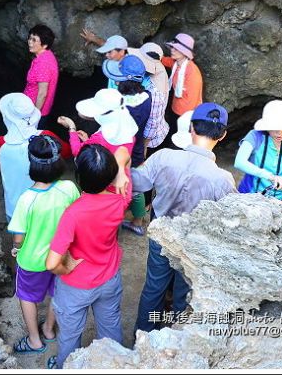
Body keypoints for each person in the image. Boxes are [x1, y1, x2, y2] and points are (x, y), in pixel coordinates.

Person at [131, 103, 235, 334]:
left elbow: (136, 183)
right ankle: (177, 338)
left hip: (161, 234)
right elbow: (228, 219)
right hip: (194, 244)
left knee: (154, 287)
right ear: (223, 135)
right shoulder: (222, 179)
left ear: (191, 128)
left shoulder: (164, 157)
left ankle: (143, 335)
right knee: (184, 293)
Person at [45, 144, 131, 369]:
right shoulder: (121, 197)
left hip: (76, 286)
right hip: (109, 278)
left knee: (70, 336)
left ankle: (67, 365)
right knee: (111, 330)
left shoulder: (72, 213)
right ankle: (114, 364)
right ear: (111, 176)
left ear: (79, 178)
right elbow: (123, 151)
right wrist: (120, 171)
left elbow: (52, 263)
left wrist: (66, 268)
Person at [7, 135, 80, 354]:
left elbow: (19, 236)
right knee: (58, 293)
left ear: (32, 165)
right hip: (60, 255)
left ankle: (34, 340)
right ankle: (49, 329)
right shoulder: (68, 188)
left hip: (32, 260)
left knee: (26, 296)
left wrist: (16, 247)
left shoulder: (27, 199)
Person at [0, 93, 71, 221]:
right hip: (45, 207)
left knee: (19, 239)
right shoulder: (46, 136)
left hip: (15, 207)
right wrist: (72, 129)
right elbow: (67, 152)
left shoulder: (1, 143)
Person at [102, 55, 152, 236]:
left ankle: (110, 225)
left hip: (117, 150)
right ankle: (138, 222)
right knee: (136, 187)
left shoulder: (117, 102)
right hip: (137, 148)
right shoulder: (148, 96)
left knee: (114, 186)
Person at [56, 88, 138, 196]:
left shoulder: (100, 138)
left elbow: (79, 152)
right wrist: (88, 141)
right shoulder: (128, 129)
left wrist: (71, 127)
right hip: (122, 181)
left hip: (103, 184)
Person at [234, 100, 282, 199]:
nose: (279, 132)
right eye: (275, 128)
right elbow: (239, 162)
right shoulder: (255, 136)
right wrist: (270, 177)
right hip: (250, 196)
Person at [127, 42, 170, 154]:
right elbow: (121, 51)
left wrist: (143, 147)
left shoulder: (156, 92)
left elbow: (153, 122)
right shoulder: (157, 65)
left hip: (150, 138)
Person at [161, 33, 203, 141]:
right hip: (175, 108)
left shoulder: (192, 72)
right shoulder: (177, 64)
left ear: (185, 52)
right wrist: (157, 58)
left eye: (176, 48)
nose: (172, 50)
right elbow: (167, 61)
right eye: (172, 47)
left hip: (185, 114)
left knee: (179, 139)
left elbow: (192, 100)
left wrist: (181, 120)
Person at [24, 24, 59, 130]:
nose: (30, 42)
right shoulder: (47, 55)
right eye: (29, 38)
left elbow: (42, 94)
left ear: (44, 45)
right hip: (34, 108)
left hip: (35, 111)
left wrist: (34, 116)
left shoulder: (43, 63)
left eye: (34, 40)